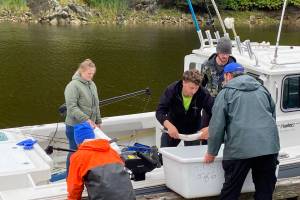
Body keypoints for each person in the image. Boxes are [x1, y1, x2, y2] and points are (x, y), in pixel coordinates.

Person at [204, 63, 280, 200]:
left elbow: (216, 126)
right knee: (265, 192)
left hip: (239, 150)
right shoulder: (263, 90)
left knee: (230, 192)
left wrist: (211, 152)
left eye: (224, 77)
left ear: (228, 75)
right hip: (268, 148)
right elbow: (272, 117)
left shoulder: (225, 93)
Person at [67, 122, 135, 200]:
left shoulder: (78, 157)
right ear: (92, 136)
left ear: (77, 140)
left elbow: (74, 188)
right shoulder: (112, 151)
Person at [156, 69, 214, 147]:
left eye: (196, 88)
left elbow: (216, 112)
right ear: (184, 82)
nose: (194, 92)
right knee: (164, 156)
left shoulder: (203, 93)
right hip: (172, 127)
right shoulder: (172, 90)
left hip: (193, 131)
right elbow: (160, 111)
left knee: (193, 157)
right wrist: (169, 126)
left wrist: (209, 128)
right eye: (191, 88)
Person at [64, 58, 102, 176]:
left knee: (87, 151)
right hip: (74, 126)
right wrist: (87, 119)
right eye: (88, 73)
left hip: (89, 125)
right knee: (74, 151)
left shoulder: (92, 84)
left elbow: (96, 104)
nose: (91, 76)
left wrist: (98, 120)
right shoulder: (72, 86)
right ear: (81, 71)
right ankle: (70, 176)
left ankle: (82, 174)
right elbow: (72, 107)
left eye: (92, 74)